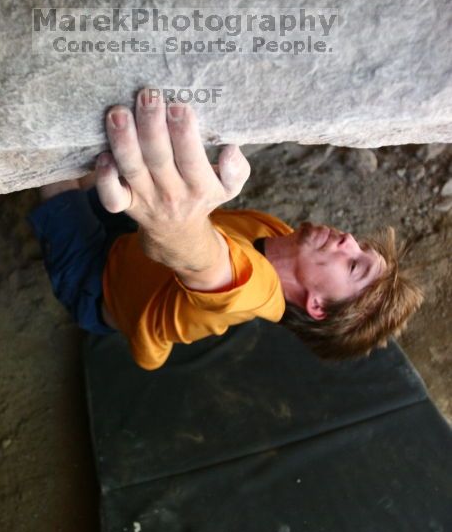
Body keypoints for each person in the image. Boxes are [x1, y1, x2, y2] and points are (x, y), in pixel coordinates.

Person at [28, 87, 423, 370]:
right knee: (97, 173)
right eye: (361, 249)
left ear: (317, 304)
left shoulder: (253, 294)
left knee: (60, 179)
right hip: (132, 243)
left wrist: (177, 224)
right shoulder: (280, 233)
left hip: (97, 286)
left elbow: (202, 259)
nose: (349, 241)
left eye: (353, 266)